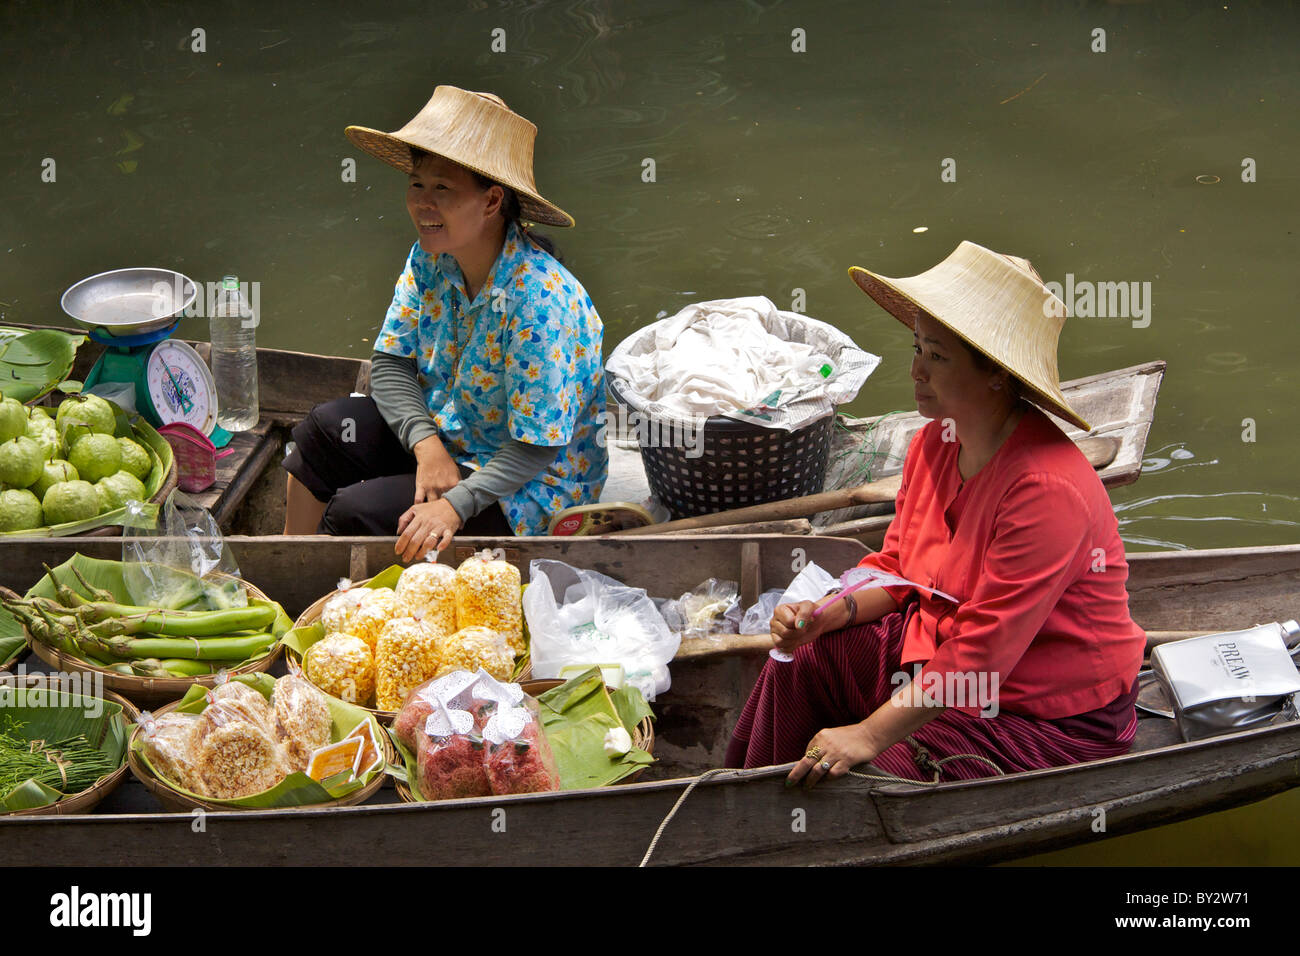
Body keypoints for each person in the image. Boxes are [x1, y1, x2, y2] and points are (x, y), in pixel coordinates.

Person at [724, 241, 1146, 787]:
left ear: (997, 374)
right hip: (940, 652)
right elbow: (898, 568)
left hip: (1038, 712)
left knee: (876, 774)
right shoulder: (935, 443)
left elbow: (983, 656)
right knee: (809, 657)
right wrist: (832, 612)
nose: (916, 370)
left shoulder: (1045, 490)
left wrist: (868, 734)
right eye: (917, 346)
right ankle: (751, 805)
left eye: (938, 356)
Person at [282, 86, 608, 560]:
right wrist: (425, 444)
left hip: (527, 490)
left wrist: (456, 505)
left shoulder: (539, 301)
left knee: (356, 512)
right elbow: (391, 361)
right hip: (452, 441)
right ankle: (282, 563)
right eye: (417, 184)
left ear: (493, 202)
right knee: (324, 430)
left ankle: (317, 592)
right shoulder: (432, 257)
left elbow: (536, 448)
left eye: (442, 189)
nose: (422, 204)